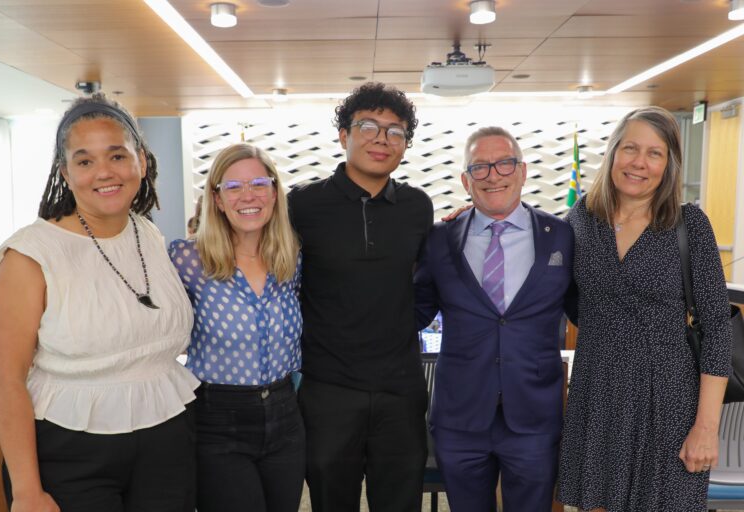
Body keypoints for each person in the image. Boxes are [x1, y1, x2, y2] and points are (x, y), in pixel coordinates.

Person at [0, 93, 198, 512]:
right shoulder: (30, 255)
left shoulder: (147, 233)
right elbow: (6, 379)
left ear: (141, 160)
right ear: (65, 173)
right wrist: (28, 492)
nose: (104, 172)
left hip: (167, 440)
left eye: (117, 155)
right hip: (71, 450)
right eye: (85, 161)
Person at [557, 106, 732, 511]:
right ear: (613, 153)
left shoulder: (689, 225)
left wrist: (706, 427)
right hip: (597, 395)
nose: (639, 162)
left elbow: (716, 329)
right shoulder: (581, 220)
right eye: (631, 148)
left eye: (655, 153)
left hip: (669, 401)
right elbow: (558, 286)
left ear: (669, 164)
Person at [288, 82, 433, 511]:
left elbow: (428, 281)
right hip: (328, 390)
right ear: (343, 136)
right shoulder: (302, 205)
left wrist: (403, 322)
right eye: (368, 126)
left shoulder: (417, 207)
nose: (382, 139)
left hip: (400, 390)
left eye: (395, 131)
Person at [414, 126, 575, 511]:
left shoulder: (561, 236)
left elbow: (588, 309)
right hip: (460, 417)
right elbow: (413, 312)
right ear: (465, 180)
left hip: (534, 417)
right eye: (480, 167)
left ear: (522, 171)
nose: (493, 175)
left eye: (504, 163)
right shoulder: (438, 239)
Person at [169, 143, 303, 512]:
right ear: (217, 199)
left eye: (259, 184)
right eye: (233, 186)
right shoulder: (188, 259)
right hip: (218, 420)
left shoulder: (291, 258)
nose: (248, 196)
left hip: (286, 417)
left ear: (274, 193)